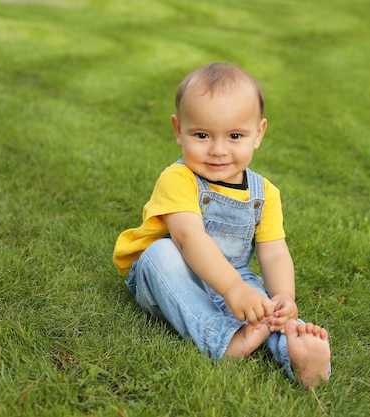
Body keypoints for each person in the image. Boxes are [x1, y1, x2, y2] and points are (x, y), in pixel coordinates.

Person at [113, 62, 330, 388]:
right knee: (159, 252)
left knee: (267, 307)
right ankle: (223, 340)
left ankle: (298, 354)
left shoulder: (265, 193)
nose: (217, 150)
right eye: (201, 135)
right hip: (174, 281)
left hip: (236, 278)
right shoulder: (178, 178)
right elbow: (187, 238)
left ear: (258, 134)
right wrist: (231, 289)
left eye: (234, 136)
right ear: (177, 130)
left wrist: (284, 295)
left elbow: (273, 251)